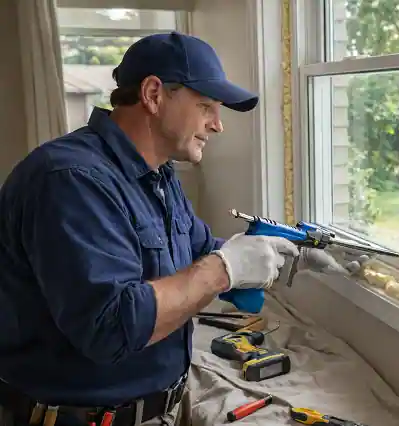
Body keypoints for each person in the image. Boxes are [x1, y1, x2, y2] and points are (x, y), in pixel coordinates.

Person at [0, 32, 364, 426]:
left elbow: (201, 249)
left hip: (161, 405)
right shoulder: (69, 180)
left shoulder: (157, 175)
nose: (218, 125)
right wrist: (226, 268)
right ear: (154, 95)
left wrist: (285, 254)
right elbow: (108, 328)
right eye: (206, 106)